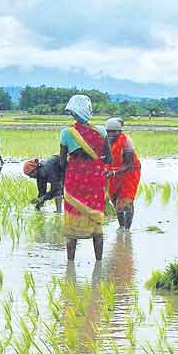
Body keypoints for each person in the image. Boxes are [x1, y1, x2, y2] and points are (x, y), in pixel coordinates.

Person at [57, 94, 112, 261]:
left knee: (71, 228)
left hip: (74, 182)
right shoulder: (101, 131)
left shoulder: (67, 133)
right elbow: (109, 159)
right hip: (95, 181)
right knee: (96, 224)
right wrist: (94, 164)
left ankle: (70, 263)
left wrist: (75, 164)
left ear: (73, 112)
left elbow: (61, 162)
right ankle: (98, 262)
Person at [103, 117, 141, 229]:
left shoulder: (126, 142)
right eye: (108, 131)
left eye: (114, 131)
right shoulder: (106, 140)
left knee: (126, 200)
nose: (111, 134)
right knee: (115, 200)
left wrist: (114, 172)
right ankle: (121, 227)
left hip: (130, 172)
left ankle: (127, 229)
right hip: (113, 171)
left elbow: (129, 164)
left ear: (120, 131)